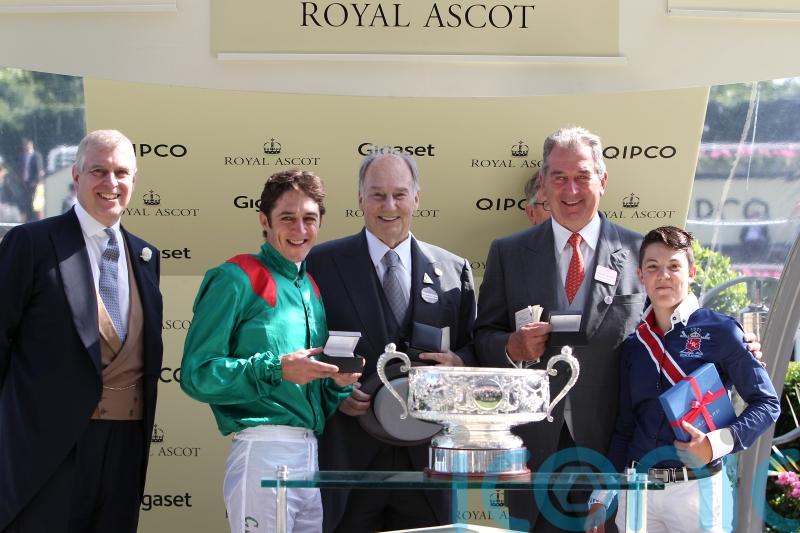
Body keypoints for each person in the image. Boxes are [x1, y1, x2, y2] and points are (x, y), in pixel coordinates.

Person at [0, 129, 164, 532]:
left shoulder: (145, 256)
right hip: (46, 455)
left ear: (134, 180)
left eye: (121, 173)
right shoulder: (31, 244)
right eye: (99, 171)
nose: (111, 183)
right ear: (75, 176)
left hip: (124, 449)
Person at [306, 150, 477, 533]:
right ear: (360, 199)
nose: (389, 206)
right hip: (350, 459)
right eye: (377, 194)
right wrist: (331, 391)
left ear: (416, 199)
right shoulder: (320, 264)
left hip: (429, 461)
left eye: (399, 195)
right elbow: (303, 348)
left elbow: (473, 349)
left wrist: (458, 364)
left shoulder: (453, 270)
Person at [180, 170, 360, 533]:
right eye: (287, 218)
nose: (300, 229)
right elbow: (196, 374)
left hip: (311, 453)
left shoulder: (309, 286)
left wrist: (336, 384)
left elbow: (312, 397)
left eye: (309, 218)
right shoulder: (235, 276)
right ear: (264, 221)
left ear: (321, 222)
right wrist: (275, 370)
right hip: (262, 451)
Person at [585, 226, 779, 533]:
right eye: (653, 267)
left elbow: (767, 404)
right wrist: (601, 496)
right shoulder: (635, 344)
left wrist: (715, 444)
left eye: (673, 266)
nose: (663, 275)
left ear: (691, 272)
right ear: (640, 275)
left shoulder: (722, 331)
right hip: (637, 490)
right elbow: (625, 426)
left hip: (697, 489)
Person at [18, 138, 44, 221]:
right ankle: (28, 220)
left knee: (36, 204)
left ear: (30, 145)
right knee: (26, 203)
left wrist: (36, 182)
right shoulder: (22, 156)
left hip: (34, 184)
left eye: (27, 145)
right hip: (25, 184)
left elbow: (39, 170)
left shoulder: (37, 156)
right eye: (24, 145)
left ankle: (37, 220)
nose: (25, 147)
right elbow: (20, 168)